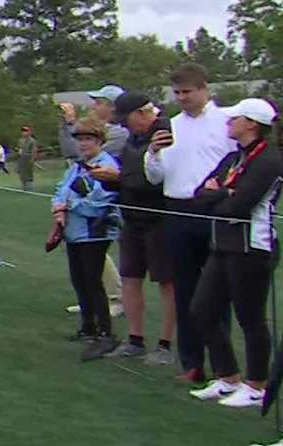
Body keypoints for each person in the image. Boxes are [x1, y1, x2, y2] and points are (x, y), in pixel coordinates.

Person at [186, 99, 283, 407]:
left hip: (252, 247)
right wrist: (222, 194)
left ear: (251, 124)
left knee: (250, 318)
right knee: (202, 310)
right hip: (224, 244)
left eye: (234, 119)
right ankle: (228, 378)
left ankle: (256, 385)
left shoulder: (269, 160)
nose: (228, 124)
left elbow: (239, 207)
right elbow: (200, 195)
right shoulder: (233, 157)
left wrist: (222, 196)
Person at [145, 63, 237, 383]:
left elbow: (240, 165)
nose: (182, 98)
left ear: (204, 90)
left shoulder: (227, 123)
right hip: (177, 210)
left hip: (213, 210)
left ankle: (225, 369)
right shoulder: (170, 126)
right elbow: (155, 177)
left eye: (188, 92)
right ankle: (192, 364)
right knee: (184, 289)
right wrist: (153, 154)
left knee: (217, 291)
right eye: (177, 93)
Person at [105, 92, 177, 364]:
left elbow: (156, 179)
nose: (125, 126)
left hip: (160, 218)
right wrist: (113, 181)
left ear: (141, 113)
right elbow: (130, 175)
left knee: (167, 282)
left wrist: (120, 178)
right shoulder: (132, 140)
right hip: (132, 217)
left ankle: (165, 344)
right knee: (131, 277)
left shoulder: (165, 133)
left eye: (127, 120)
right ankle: (135, 340)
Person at [52, 117, 122, 360]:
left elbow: (99, 203)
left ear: (100, 141)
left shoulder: (106, 166)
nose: (83, 144)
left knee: (93, 282)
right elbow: (61, 189)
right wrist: (58, 207)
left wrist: (69, 205)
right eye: (80, 139)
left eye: (89, 139)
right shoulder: (77, 166)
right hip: (74, 232)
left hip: (94, 232)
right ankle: (88, 326)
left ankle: (105, 332)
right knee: (79, 280)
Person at [60, 86, 129, 158]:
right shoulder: (98, 126)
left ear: (113, 107)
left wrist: (70, 123)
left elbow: (79, 154)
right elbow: (68, 152)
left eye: (98, 103)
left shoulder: (119, 133)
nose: (93, 106)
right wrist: (66, 124)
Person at [15, 126, 39, 192]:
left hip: (28, 158)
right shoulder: (20, 140)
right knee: (21, 173)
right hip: (21, 158)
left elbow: (34, 150)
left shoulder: (32, 141)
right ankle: (24, 187)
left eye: (26, 131)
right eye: (23, 131)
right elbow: (19, 148)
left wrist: (33, 158)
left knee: (29, 173)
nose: (24, 133)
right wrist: (18, 151)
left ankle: (29, 188)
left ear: (29, 132)